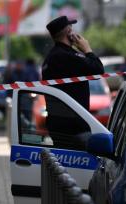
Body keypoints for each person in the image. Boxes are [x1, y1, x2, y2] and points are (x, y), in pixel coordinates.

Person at [42, 15, 104, 148]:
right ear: (69, 32)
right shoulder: (66, 56)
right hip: (74, 126)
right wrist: (87, 49)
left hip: (59, 123)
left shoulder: (52, 56)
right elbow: (98, 70)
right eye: (71, 27)